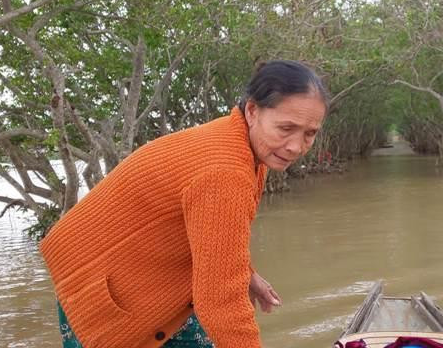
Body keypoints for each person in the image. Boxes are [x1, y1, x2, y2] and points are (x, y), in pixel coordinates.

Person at [40, 60, 329, 348]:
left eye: (309, 133)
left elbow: (214, 235)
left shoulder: (247, 144)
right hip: (95, 285)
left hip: (126, 271)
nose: (296, 146)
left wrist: (247, 274)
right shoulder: (225, 171)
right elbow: (221, 304)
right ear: (253, 111)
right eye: (286, 128)